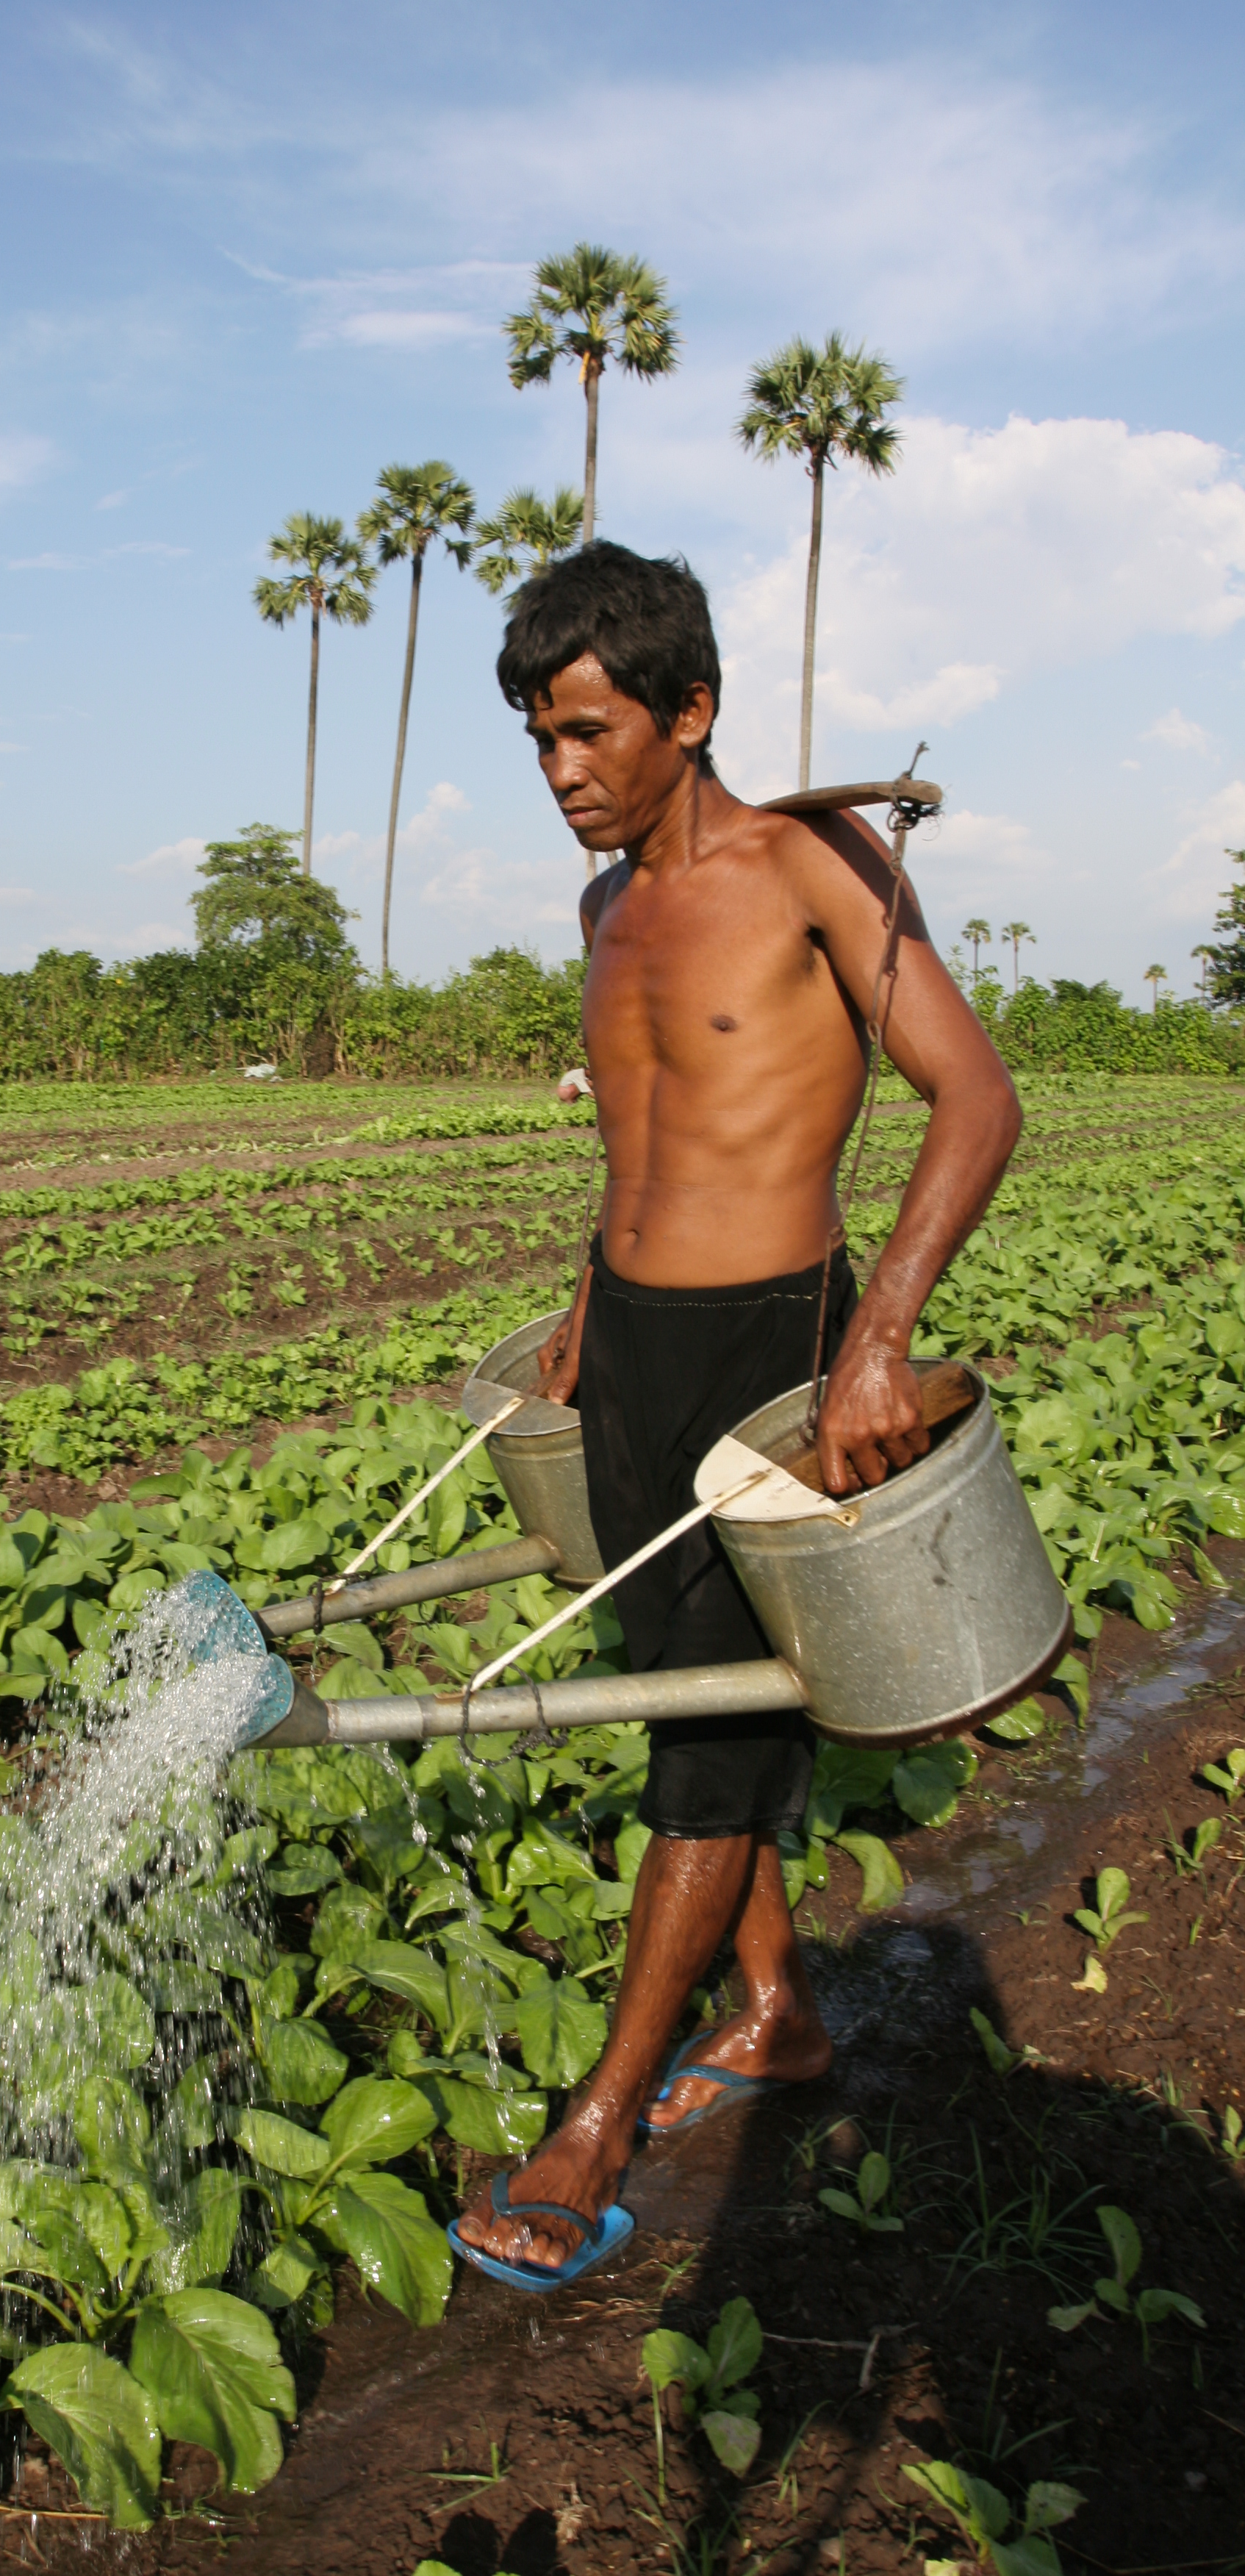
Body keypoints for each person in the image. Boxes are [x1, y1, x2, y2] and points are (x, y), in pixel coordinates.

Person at [451, 542, 1021, 2288]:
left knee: (710, 1763)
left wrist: (883, 1343)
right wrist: (580, 1298)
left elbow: (974, 1097)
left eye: (586, 731)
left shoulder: (806, 865)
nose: (561, 772)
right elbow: (644, 1138)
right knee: (666, 1691)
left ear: (686, 713)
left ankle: (600, 2119)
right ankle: (774, 2008)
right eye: (539, 741)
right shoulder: (602, 904)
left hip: (776, 1355)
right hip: (625, 1350)